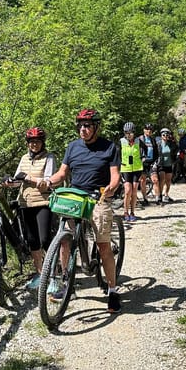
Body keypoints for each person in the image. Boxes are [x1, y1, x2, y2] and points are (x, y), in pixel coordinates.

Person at [37, 108, 122, 313]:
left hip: (98, 197)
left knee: (103, 246)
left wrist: (111, 188)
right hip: (74, 197)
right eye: (80, 125)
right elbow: (62, 173)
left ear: (96, 127)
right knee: (65, 239)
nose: (83, 129)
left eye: (87, 126)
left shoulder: (109, 147)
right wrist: (48, 181)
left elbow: (115, 176)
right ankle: (66, 282)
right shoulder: (72, 147)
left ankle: (112, 289)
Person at [6, 127, 56, 291]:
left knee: (45, 240)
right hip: (25, 203)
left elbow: (47, 181)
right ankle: (41, 275)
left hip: (43, 202)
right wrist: (8, 182)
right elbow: (18, 180)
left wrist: (28, 177)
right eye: (31, 141)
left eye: (37, 141)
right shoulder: (24, 158)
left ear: (43, 143)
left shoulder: (49, 158)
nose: (34, 144)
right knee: (32, 241)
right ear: (27, 143)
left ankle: (54, 276)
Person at [119, 122, 143, 222]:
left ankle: (132, 212)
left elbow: (148, 151)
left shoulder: (139, 141)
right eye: (126, 133)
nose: (129, 135)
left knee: (134, 191)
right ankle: (125, 212)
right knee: (128, 190)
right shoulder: (121, 141)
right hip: (125, 169)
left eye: (131, 133)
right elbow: (115, 155)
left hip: (137, 169)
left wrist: (145, 159)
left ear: (134, 133)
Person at [138, 123, 159, 207]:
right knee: (143, 181)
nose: (149, 131)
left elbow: (156, 152)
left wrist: (156, 161)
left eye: (150, 129)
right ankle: (145, 198)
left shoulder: (153, 140)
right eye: (147, 129)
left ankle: (158, 199)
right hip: (142, 162)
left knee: (155, 180)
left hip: (151, 162)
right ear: (144, 130)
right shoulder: (140, 139)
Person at [157, 127, 177, 203]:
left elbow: (176, 150)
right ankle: (160, 195)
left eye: (167, 135)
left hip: (169, 164)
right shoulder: (158, 143)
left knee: (168, 181)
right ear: (161, 135)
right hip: (161, 164)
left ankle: (166, 195)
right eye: (163, 135)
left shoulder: (171, 144)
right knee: (162, 180)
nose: (165, 136)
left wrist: (173, 140)